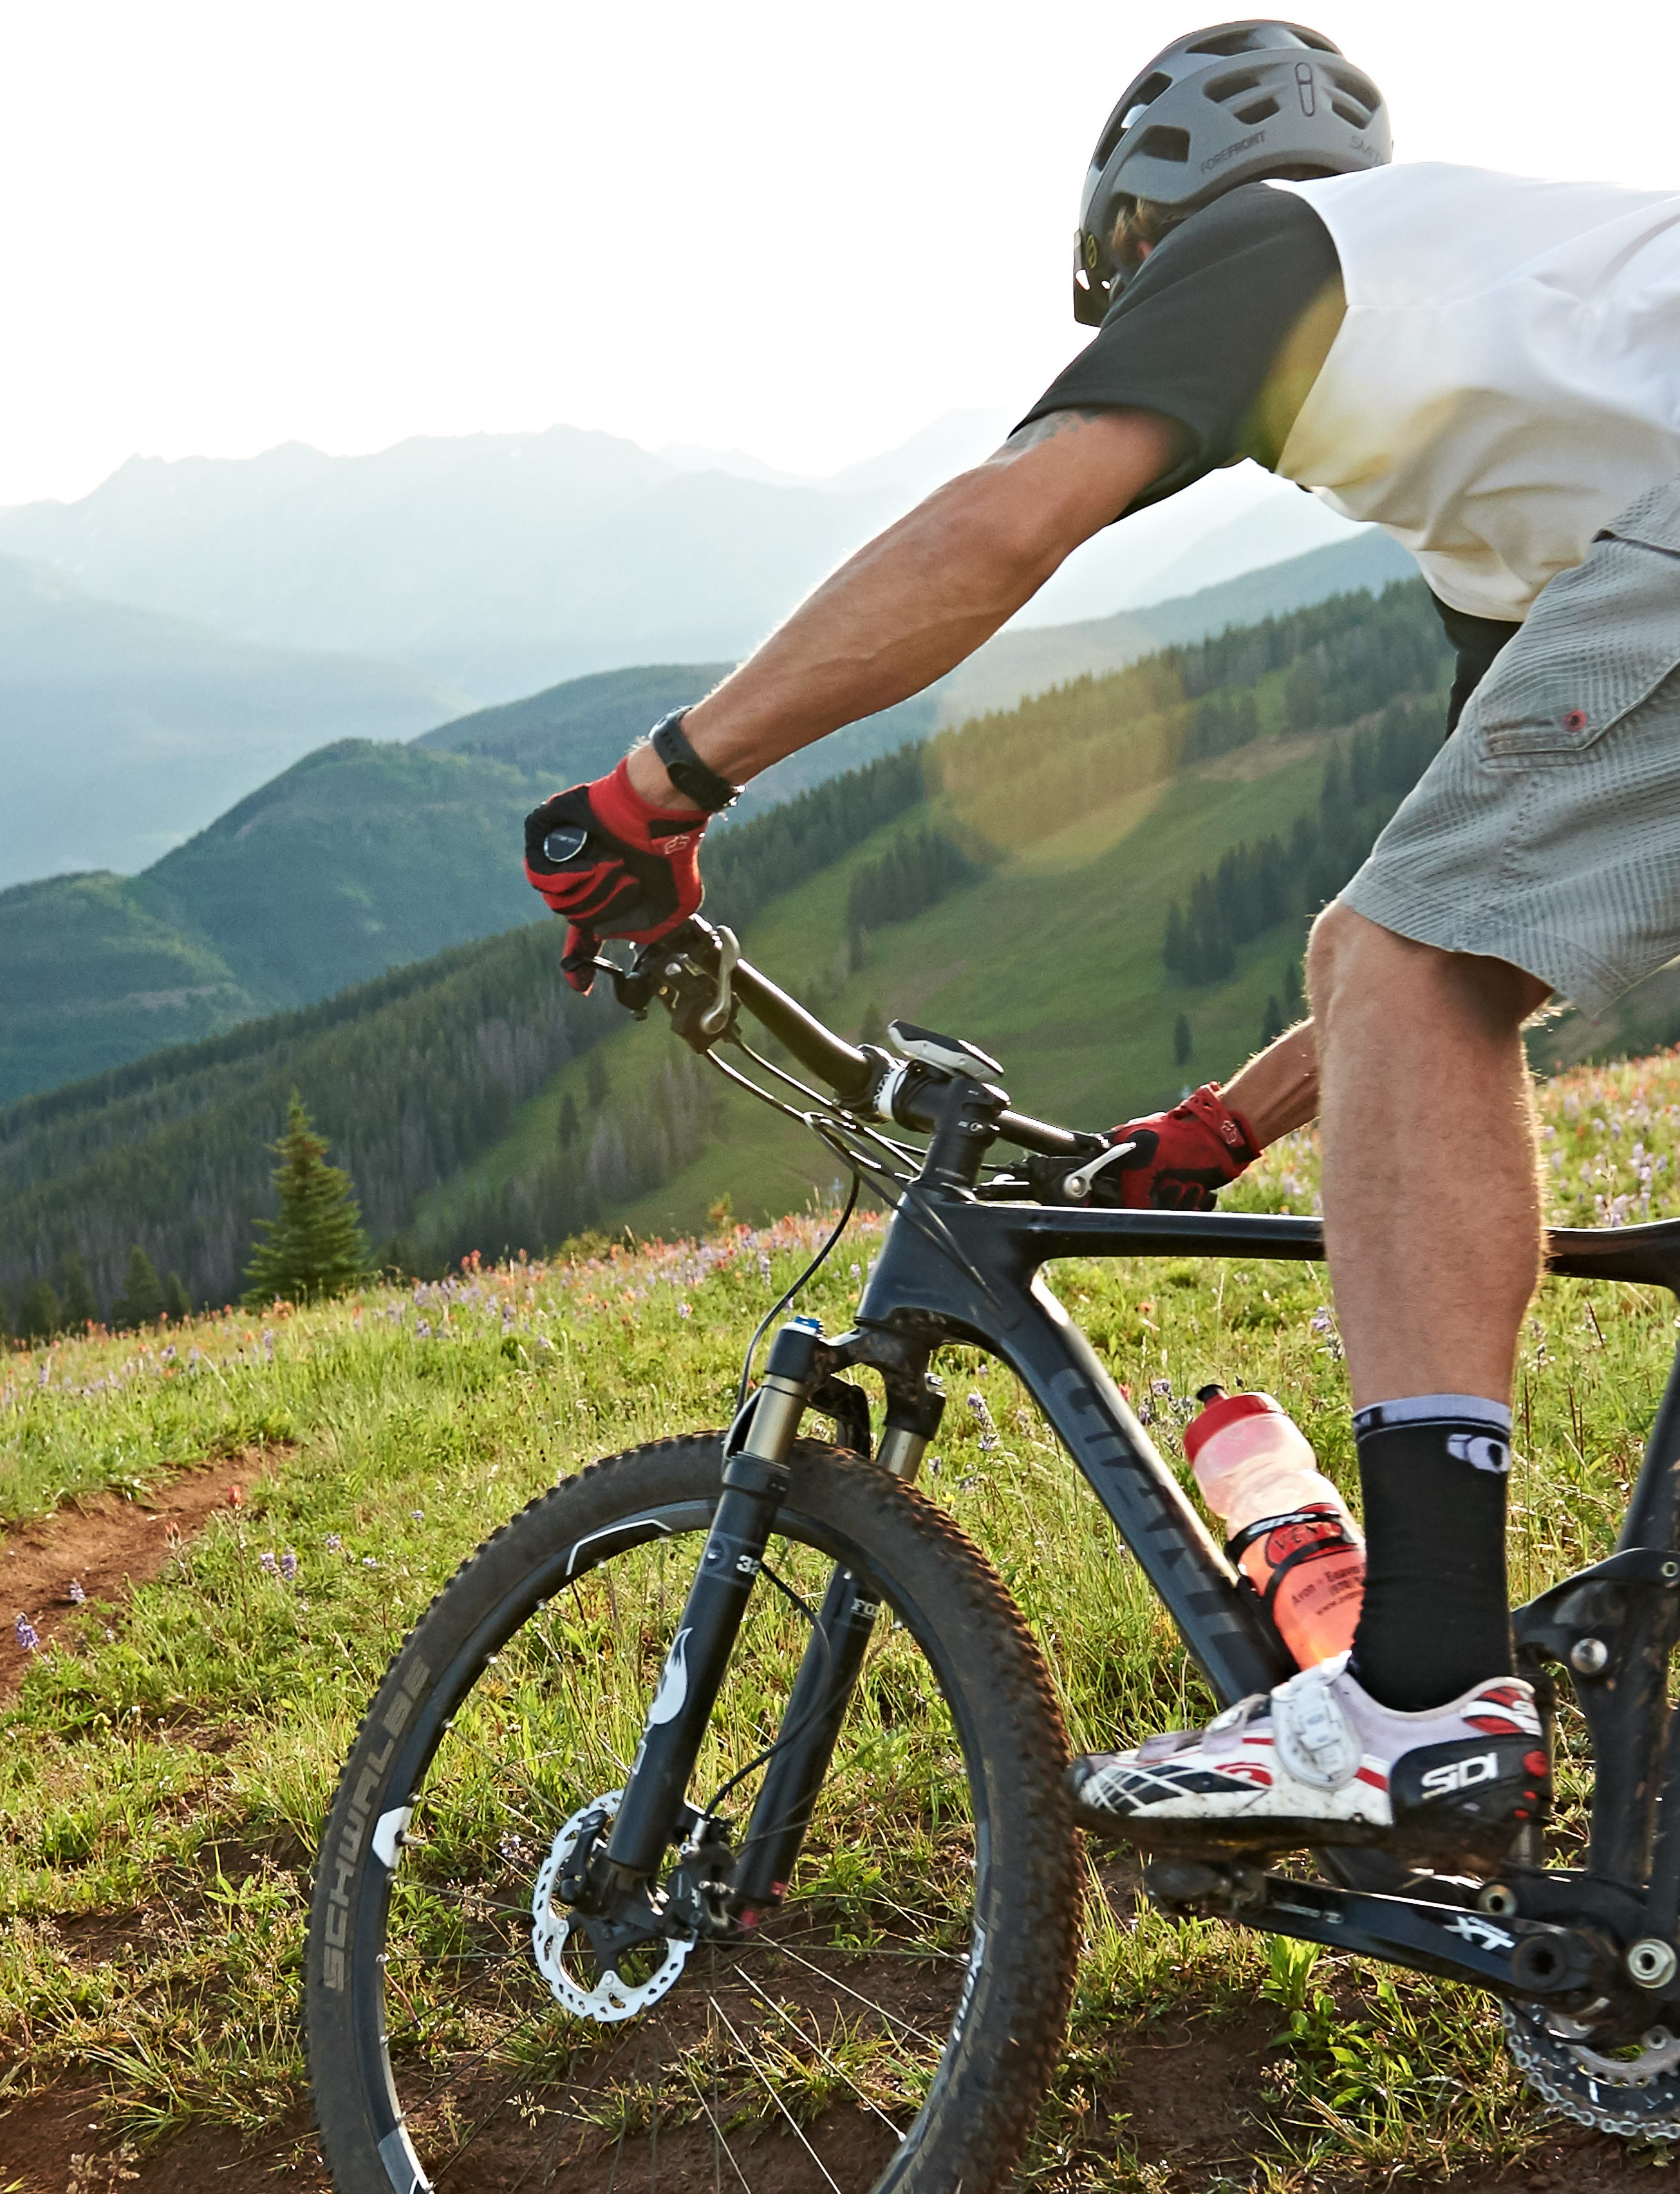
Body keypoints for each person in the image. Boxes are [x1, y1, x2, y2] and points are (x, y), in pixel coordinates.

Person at [525, 21, 1680, 1861]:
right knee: (1399, 958)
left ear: (1140, 243)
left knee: (1390, 958)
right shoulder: (1522, 427)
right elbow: (1489, 933)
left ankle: (1420, 1697)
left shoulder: (1275, 248)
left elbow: (1005, 523)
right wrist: (1231, 1124)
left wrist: (662, 784)